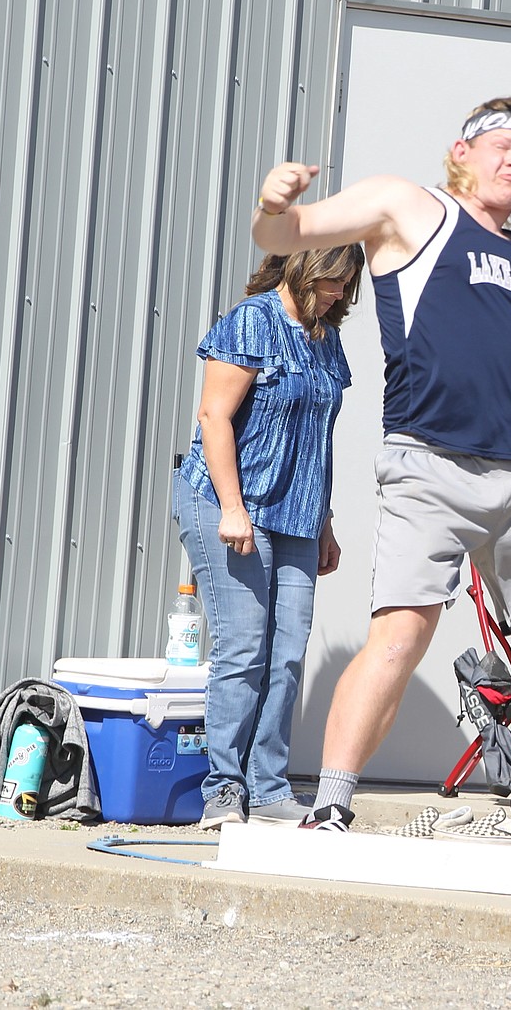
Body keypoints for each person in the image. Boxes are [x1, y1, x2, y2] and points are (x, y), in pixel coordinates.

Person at [250, 96, 511, 849]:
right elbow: (287, 234)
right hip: (431, 460)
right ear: (462, 151)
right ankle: (331, 804)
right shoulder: (411, 208)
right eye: (502, 146)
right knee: (401, 633)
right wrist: (272, 205)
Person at [173, 244, 365, 829]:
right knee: (244, 645)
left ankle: (269, 786)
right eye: (333, 281)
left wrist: (326, 523)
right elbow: (213, 417)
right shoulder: (251, 320)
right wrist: (233, 508)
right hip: (230, 503)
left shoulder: (326, 341)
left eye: (346, 285)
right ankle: (224, 791)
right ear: (306, 269)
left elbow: (318, 442)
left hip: (299, 513)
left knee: (287, 652)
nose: (339, 295)